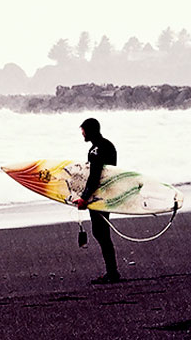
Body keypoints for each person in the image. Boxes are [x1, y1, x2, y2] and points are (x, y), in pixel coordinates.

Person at [72, 118, 120, 284]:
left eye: (83, 131)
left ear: (89, 130)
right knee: (102, 232)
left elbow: (95, 176)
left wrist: (84, 198)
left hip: (99, 195)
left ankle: (112, 273)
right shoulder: (108, 145)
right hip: (108, 192)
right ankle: (112, 271)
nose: (82, 134)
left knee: (101, 232)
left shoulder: (96, 150)